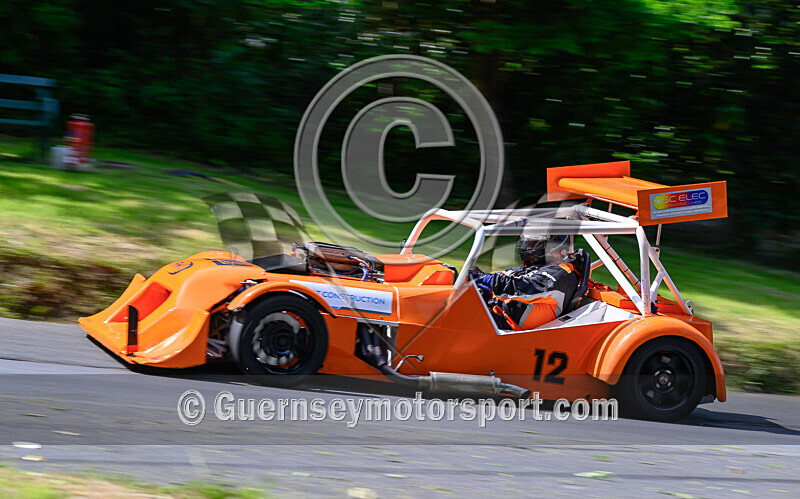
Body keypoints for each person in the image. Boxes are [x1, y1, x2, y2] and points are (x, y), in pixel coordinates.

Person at [475, 235, 583, 330]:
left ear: (553, 246)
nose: (528, 248)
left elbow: (525, 288)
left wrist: (487, 280)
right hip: (496, 315)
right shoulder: (535, 267)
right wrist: (486, 288)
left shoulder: (560, 273)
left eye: (533, 244)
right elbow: (504, 277)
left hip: (512, 330)